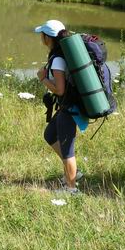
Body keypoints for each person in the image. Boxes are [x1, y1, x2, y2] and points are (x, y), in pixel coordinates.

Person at [35, 20, 83, 194]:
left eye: (42, 34)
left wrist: (43, 78)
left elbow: (60, 90)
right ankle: (72, 173)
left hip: (68, 109)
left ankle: (71, 189)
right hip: (67, 107)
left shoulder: (57, 60)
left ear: (47, 38)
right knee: (50, 135)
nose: (41, 37)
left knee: (67, 150)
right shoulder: (61, 55)